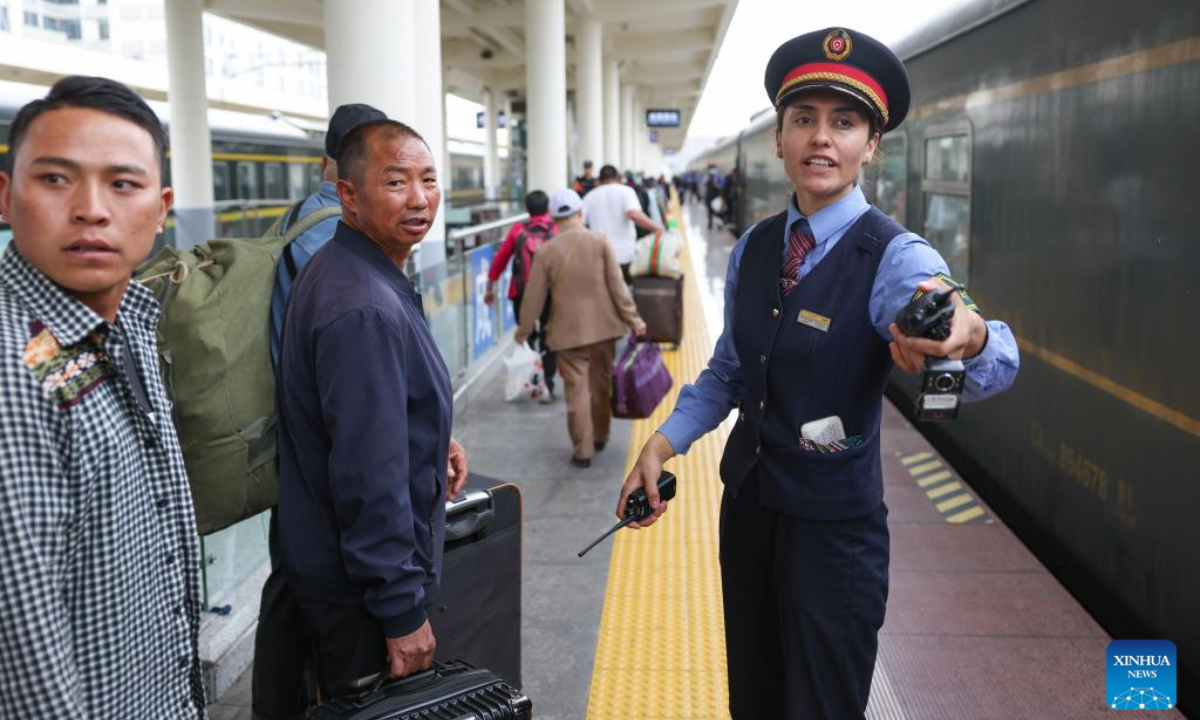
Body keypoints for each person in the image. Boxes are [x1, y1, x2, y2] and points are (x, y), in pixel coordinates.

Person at [618, 28, 1020, 720]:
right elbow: (729, 372)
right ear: (779, 139)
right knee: (756, 699)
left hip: (832, 541)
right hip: (747, 515)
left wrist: (971, 334)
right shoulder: (754, 249)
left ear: (872, 146)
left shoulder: (894, 257)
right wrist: (663, 444)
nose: (821, 139)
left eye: (845, 121)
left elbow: (992, 356)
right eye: (803, 119)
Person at [0, 76, 204, 718]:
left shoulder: (122, 321)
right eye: (56, 179)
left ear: (161, 205)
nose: (91, 208)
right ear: (5, 196)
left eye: (123, 183)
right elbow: (23, 636)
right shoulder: (13, 368)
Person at [275, 118, 469, 702]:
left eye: (429, 180)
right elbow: (369, 477)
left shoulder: (345, 267)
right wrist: (401, 612)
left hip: (331, 563)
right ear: (349, 196)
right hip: (358, 591)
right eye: (396, 182)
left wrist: (436, 439)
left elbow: (370, 416)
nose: (419, 199)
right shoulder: (363, 305)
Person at [254, 102, 387, 720]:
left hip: (295, 436)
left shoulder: (301, 216)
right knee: (325, 593)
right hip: (319, 444)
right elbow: (351, 373)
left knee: (288, 584)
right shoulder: (331, 239)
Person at [516, 189, 646, 468]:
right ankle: (601, 435)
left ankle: (583, 450)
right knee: (601, 385)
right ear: (579, 213)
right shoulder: (600, 241)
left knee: (576, 391)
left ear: (553, 217)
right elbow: (617, 286)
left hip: (568, 333)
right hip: (605, 328)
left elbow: (534, 297)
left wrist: (524, 330)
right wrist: (634, 320)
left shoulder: (546, 251)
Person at [484, 190, 559, 401]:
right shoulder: (556, 229)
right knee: (549, 338)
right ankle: (548, 384)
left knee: (527, 336)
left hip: (522, 293)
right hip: (551, 294)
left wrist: (490, 286)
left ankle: (534, 380)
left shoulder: (518, 230)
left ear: (527, 209)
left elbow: (500, 259)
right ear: (547, 208)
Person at [582, 164, 664, 283]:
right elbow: (634, 214)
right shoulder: (626, 191)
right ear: (618, 178)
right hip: (624, 255)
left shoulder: (589, 197)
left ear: (599, 179)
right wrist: (658, 228)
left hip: (599, 257)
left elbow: (581, 224)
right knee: (624, 292)